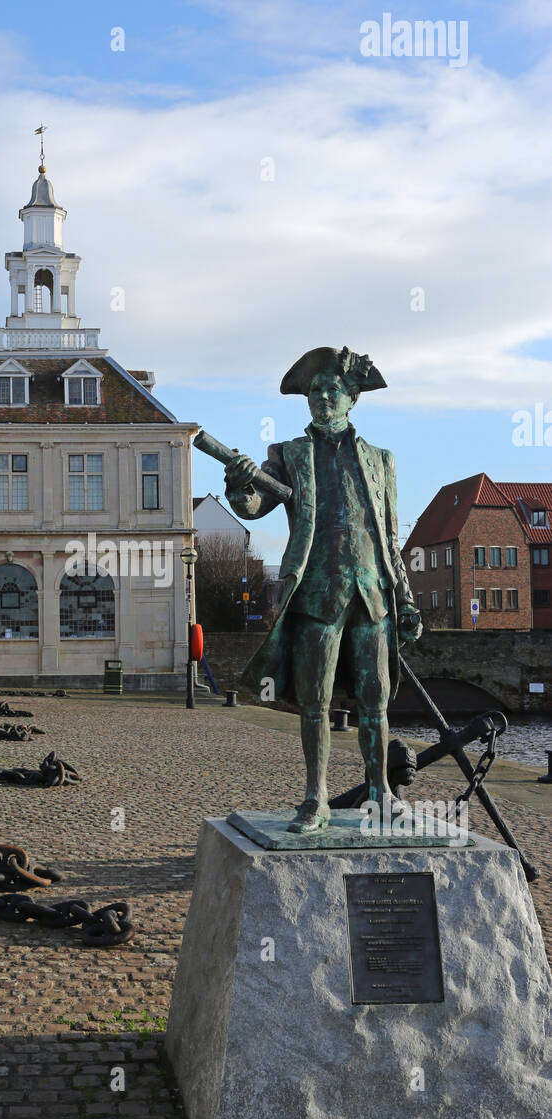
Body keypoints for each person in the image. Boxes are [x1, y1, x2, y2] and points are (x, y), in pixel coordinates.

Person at [224, 346, 422, 834]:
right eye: (315, 390)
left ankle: (380, 794)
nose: (323, 397)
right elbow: (252, 507)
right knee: (315, 701)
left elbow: (390, 536)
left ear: (353, 398)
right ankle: (316, 799)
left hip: (373, 593)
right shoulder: (291, 454)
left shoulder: (381, 461)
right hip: (317, 595)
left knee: (375, 699)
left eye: (333, 389)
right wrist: (238, 483)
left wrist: (407, 599)